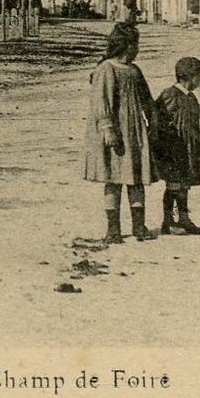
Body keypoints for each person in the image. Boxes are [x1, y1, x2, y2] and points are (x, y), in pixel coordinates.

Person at [82, 23, 158, 243]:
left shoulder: (134, 70)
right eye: (135, 44)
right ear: (125, 45)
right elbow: (101, 100)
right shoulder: (107, 69)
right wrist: (107, 128)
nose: (137, 49)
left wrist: (152, 120)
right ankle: (113, 230)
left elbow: (147, 99)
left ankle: (139, 226)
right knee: (114, 179)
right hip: (115, 132)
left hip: (134, 131)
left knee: (136, 179)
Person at [154, 56, 200, 235]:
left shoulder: (190, 97)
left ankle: (183, 219)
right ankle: (168, 221)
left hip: (189, 149)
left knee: (184, 185)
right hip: (174, 149)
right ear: (187, 76)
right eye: (197, 77)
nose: (199, 81)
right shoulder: (170, 95)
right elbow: (158, 120)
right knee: (174, 186)